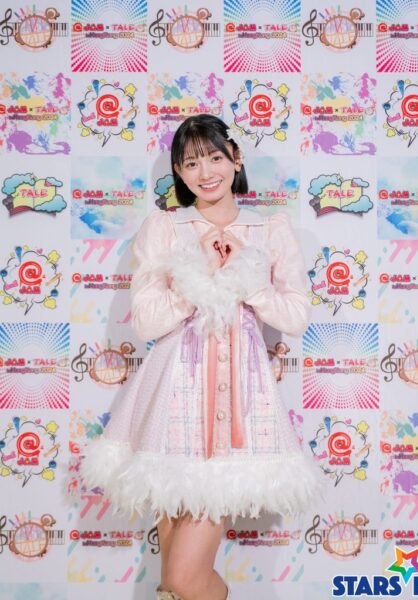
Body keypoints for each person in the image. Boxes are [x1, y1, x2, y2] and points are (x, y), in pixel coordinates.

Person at [79, 114, 321, 600]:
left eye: (214, 157)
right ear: (178, 171)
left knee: (183, 579)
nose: (205, 172)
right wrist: (200, 276)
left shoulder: (269, 229)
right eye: (190, 163)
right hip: (171, 400)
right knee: (173, 581)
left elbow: (296, 316)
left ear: (236, 158)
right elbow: (146, 322)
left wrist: (248, 280)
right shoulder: (165, 228)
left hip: (238, 402)